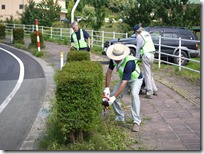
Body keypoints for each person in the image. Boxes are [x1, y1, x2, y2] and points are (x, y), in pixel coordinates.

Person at [103, 43, 143, 132]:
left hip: (135, 79)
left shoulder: (129, 63)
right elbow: (109, 72)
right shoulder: (113, 59)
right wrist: (107, 88)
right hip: (124, 79)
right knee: (113, 94)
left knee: (134, 95)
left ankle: (136, 122)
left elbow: (124, 83)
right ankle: (120, 117)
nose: (116, 60)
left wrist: (113, 98)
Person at [133, 24, 158, 99]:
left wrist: (136, 60)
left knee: (147, 75)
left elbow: (138, 49)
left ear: (136, 32)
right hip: (152, 55)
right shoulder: (147, 33)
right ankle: (154, 89)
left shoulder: (139, 37)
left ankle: (149, 93)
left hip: (146, 56)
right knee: (149, 73)